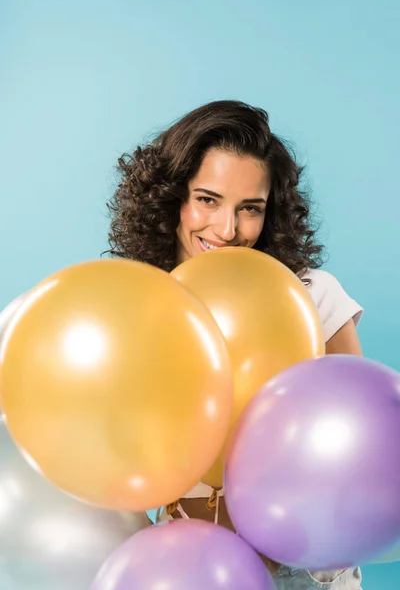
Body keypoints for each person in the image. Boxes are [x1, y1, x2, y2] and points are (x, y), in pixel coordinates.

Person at [106, 100, 364, 589]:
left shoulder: (313, 298)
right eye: (208, 199)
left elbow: (361, 449)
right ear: (170, 197)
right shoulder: (136, 310)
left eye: (250, 209)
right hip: (184, 566)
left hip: (303, 568)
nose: (227, 230)